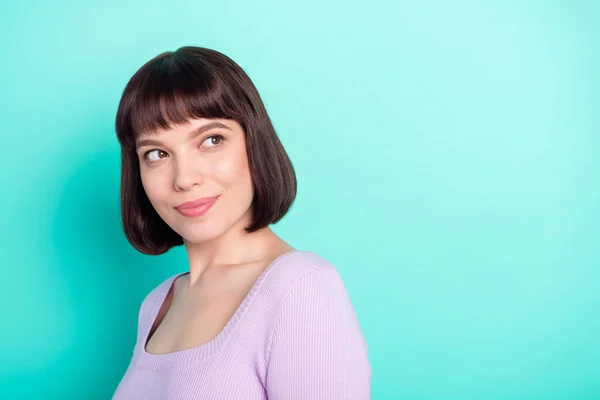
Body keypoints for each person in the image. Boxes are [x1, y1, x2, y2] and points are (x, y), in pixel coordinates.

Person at [111, 46, 371, 399]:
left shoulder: (301, 290)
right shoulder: (157, 304)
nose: (184, 179)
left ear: (254, 142)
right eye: (157, 153)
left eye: (211, 140)